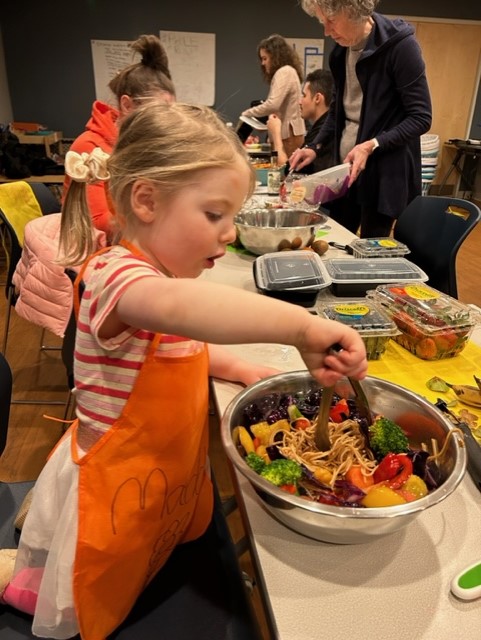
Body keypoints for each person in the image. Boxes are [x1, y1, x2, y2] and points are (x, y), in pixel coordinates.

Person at [0, 102, 368, 639]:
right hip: (116, 485)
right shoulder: (115, 274)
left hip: (161, 480)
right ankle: (28, 572)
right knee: (81, 589)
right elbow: (177, 312)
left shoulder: (158, 272)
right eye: (214, 215)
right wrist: (304, 329)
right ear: (146, 200)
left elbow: (179, 344)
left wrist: (239, 366)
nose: (227, 234)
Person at [290, 0, 432, 238]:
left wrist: (371, 145)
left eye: (331, 21)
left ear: (352, 10)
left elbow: (421, 117)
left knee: (367, 252)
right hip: (346, 171)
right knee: (333, 238)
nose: (326, 31)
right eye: (321, 22)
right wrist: (315, 146)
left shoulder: (401, 46)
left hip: (383, 175)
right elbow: (337, 111)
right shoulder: (340, 52)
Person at [62, 34, 175, 241]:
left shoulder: (142, 145)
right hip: (93, 253)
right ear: (127, 105)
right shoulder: (89, 147)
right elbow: (99, 223)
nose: (165, 120)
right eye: (158, 110)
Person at [241, 34, 306, 158]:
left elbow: (273, 104)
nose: (263, 63)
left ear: (275, 56)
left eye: (265, 58)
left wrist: (248, 113)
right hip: (288, 133)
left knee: (284, 171)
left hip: (288, 135)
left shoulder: (284, 72)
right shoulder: (287, 71)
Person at [267, 68, 335, 172]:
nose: (299, 101)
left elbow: (288, 172)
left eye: (304, 95)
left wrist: (276, 134)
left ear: (317, 98)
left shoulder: (322, 133)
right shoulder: (319, 128)